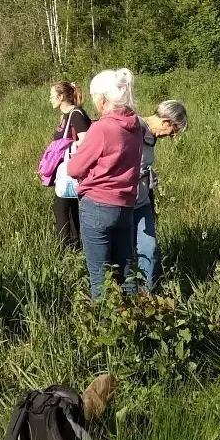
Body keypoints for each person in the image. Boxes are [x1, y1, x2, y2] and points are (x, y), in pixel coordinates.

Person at [67, 69, 144, 299]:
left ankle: (103, 329)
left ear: (102, 98)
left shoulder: (101, 128)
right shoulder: (136, 125)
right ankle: (134, 323)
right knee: (127, 272)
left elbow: (74, 169)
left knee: (100, 277)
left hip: (97, 205)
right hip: (126, 205)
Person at [135, 100, 188, 292]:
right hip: (122, 201)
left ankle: (146, 295)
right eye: (173, 131)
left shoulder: (150, 136)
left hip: (142, 200)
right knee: (122, 252)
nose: (172, 136)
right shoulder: (134, 127)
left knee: (149, 248)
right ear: (166, 121)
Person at [50, 81, 92, 250]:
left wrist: (76, 163)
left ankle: (64, 249)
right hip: (65, 171)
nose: (50, 99)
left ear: (61, 97)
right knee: (69, 208)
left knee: (60, 209)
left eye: (52, 95)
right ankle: (75, 247)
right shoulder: (66, 116)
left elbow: (86, 140)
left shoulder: (76, 114)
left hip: (73, 171)